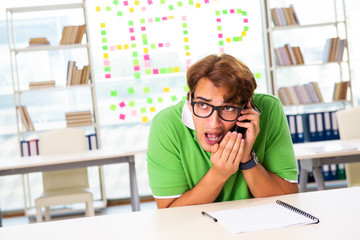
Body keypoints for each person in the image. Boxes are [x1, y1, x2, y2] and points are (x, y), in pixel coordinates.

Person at [147, 53, 299, 209]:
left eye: (228, 108)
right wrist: (219, 174)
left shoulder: (269, 108)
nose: (213, 123)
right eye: (203, 105)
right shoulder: (166, 124)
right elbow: (169, 214)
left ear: (246, 107)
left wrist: (246, 159)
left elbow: (289, 197)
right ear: (190, 100)